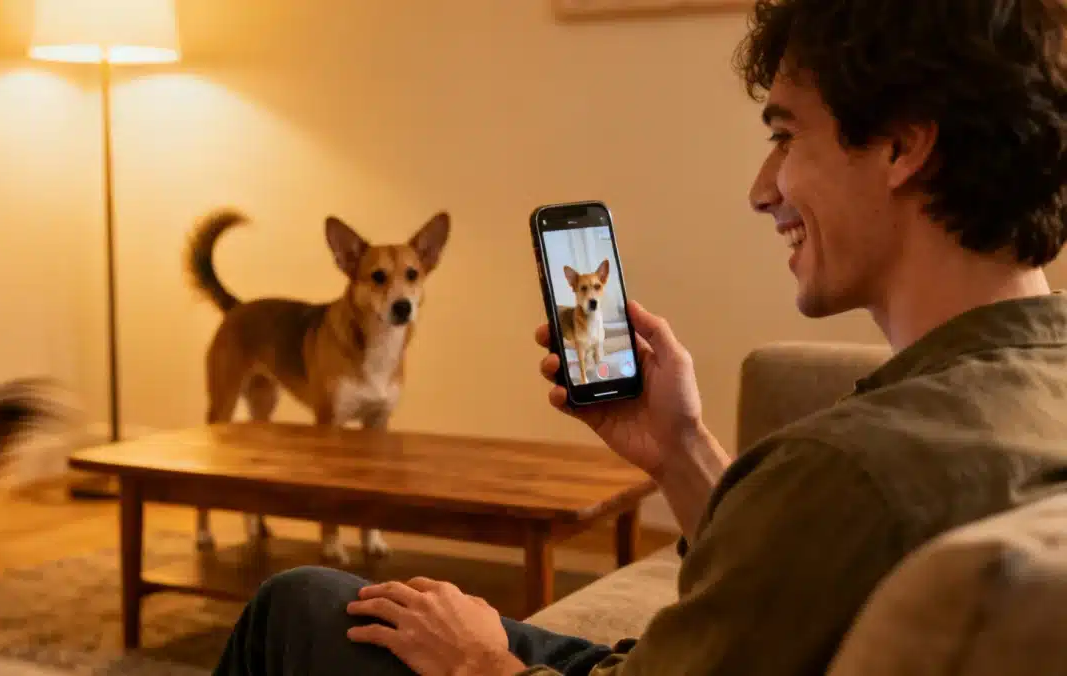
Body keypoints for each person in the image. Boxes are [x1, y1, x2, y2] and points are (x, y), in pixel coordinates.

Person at [211, 0, 1067, 673]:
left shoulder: (850, 472)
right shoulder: (1025, 400)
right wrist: (681, 448)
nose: (761, 189)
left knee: (299, 605)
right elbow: (785, 589)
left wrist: (479, 662)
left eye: (785, 136)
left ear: (902, 147)